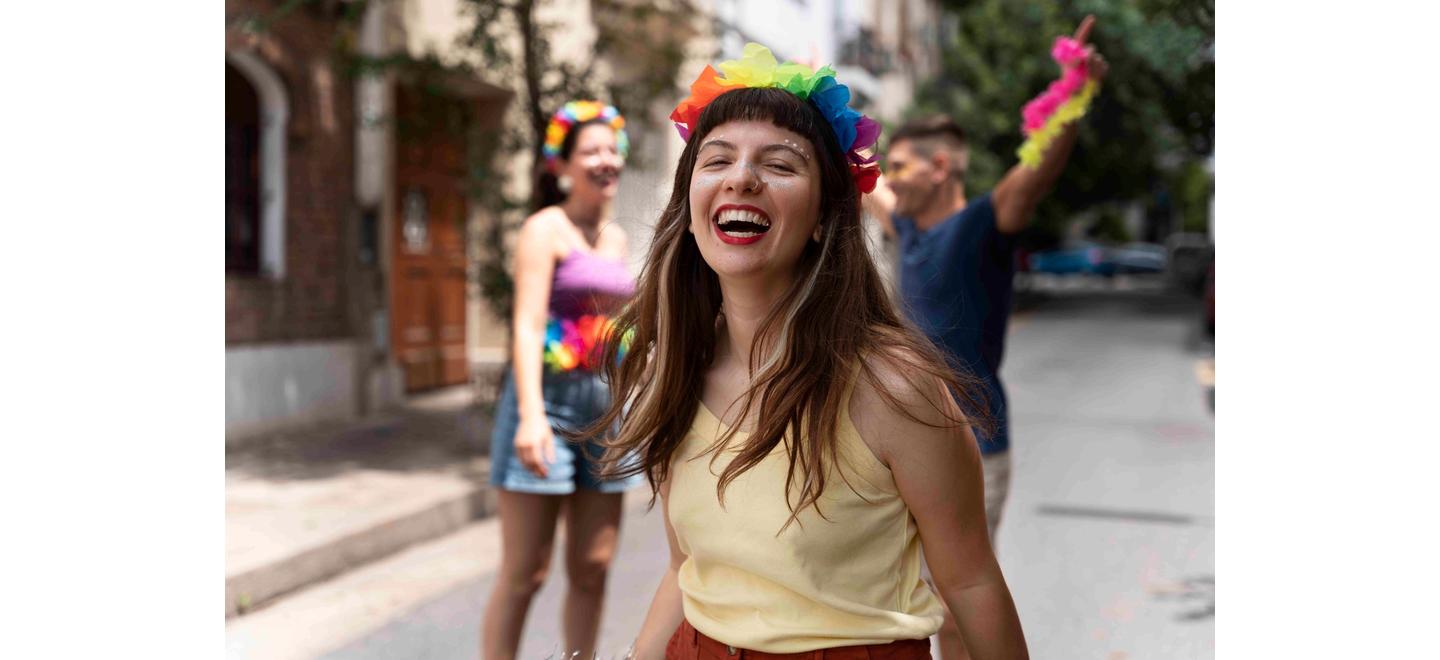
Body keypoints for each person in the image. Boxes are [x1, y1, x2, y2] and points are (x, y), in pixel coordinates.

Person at [583, 45, 1028, 659]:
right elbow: (687, 571)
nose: (742, 177)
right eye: (717, 160)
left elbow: (973, 584)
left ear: (823, 217)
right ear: (689, 209)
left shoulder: (894, 388)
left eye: (781, 164)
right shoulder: (676, 368)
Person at [862, 16, 1108, 660]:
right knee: (909, 601)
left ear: (941, 167)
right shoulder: (908, 232)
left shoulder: (981, 224)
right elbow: (858, 176)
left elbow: (1037, 170)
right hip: (902, 443)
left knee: (953, 603)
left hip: (976, 442)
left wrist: (1074, 90)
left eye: (902, 166)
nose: (890, 178)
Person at [481, 100, 641, 660]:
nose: (605, 159)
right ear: (562, 166)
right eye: (590, 150)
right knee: (527, 570)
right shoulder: (544, 229)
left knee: (593, 567)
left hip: (606, 409)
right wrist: (529, 416)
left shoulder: (618, 240)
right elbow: (526, 327)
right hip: (546, 404)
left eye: (611, 149)